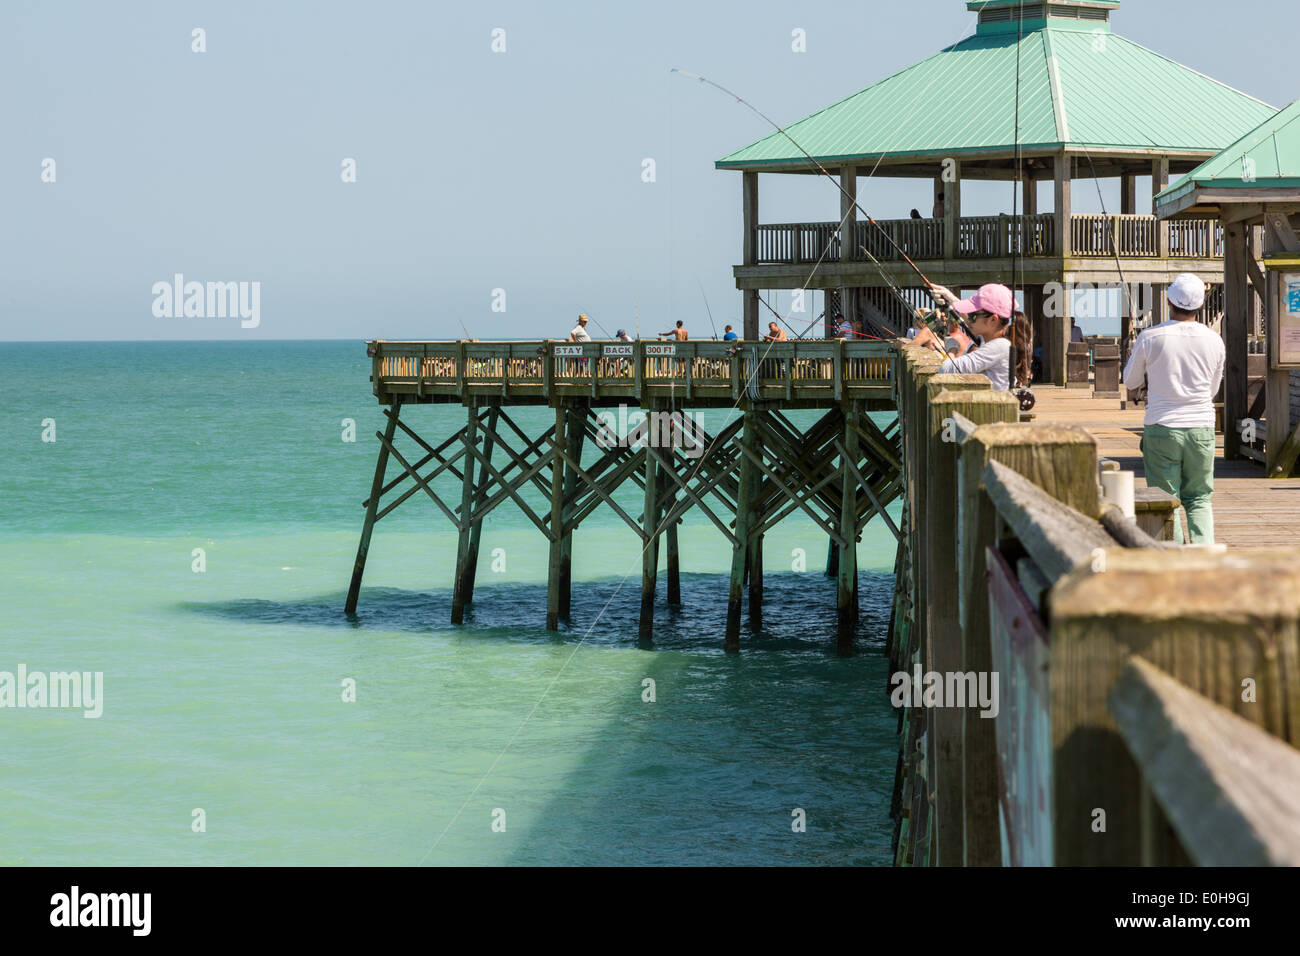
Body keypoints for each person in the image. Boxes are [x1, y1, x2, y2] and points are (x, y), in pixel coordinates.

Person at [1122, 273, 1224, 545]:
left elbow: (1130, 381)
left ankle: (1174, 556)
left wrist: (1134, 353)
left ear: (1168, 301)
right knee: (1200, 498)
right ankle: (1204, 558)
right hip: (1201, 426)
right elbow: (1212, 390)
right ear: (1200, 305)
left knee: (1165, 501)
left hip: (1162, 426)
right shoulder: (1215, 340)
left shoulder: (1150, 337)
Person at [910, 283, 1031, 391]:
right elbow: (969, 319)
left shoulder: (998, 347)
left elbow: (946, 370)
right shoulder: (993, 340)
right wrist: (949, 297)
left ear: (993, 320)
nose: (970, 320)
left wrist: (951, 350)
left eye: (973, 315)